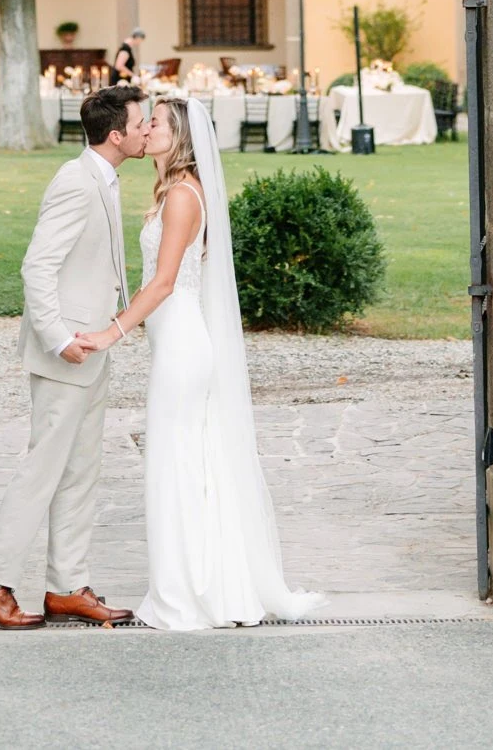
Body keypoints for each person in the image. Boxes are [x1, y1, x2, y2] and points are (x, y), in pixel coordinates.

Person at [73, 94, 321, 630]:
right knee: (184, 463)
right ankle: (200, 586)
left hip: (183, 343)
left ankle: (186, 595)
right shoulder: (172, 192)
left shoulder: (184, 196)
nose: (145, 129)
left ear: (178, 136)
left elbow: (163, 283)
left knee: (175, 466)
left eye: (154, 123)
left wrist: (109, 332)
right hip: (174, 341)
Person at [0, 83, 148, 630]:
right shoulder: (75, 180)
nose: (146, 130)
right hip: (67, 352)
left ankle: (67, 587)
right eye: (140, 124)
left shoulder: (104, 179)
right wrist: (60, 337)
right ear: (116, 135)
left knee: (81, 470)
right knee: (43, 470)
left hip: (93, 348)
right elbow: (36, 267)